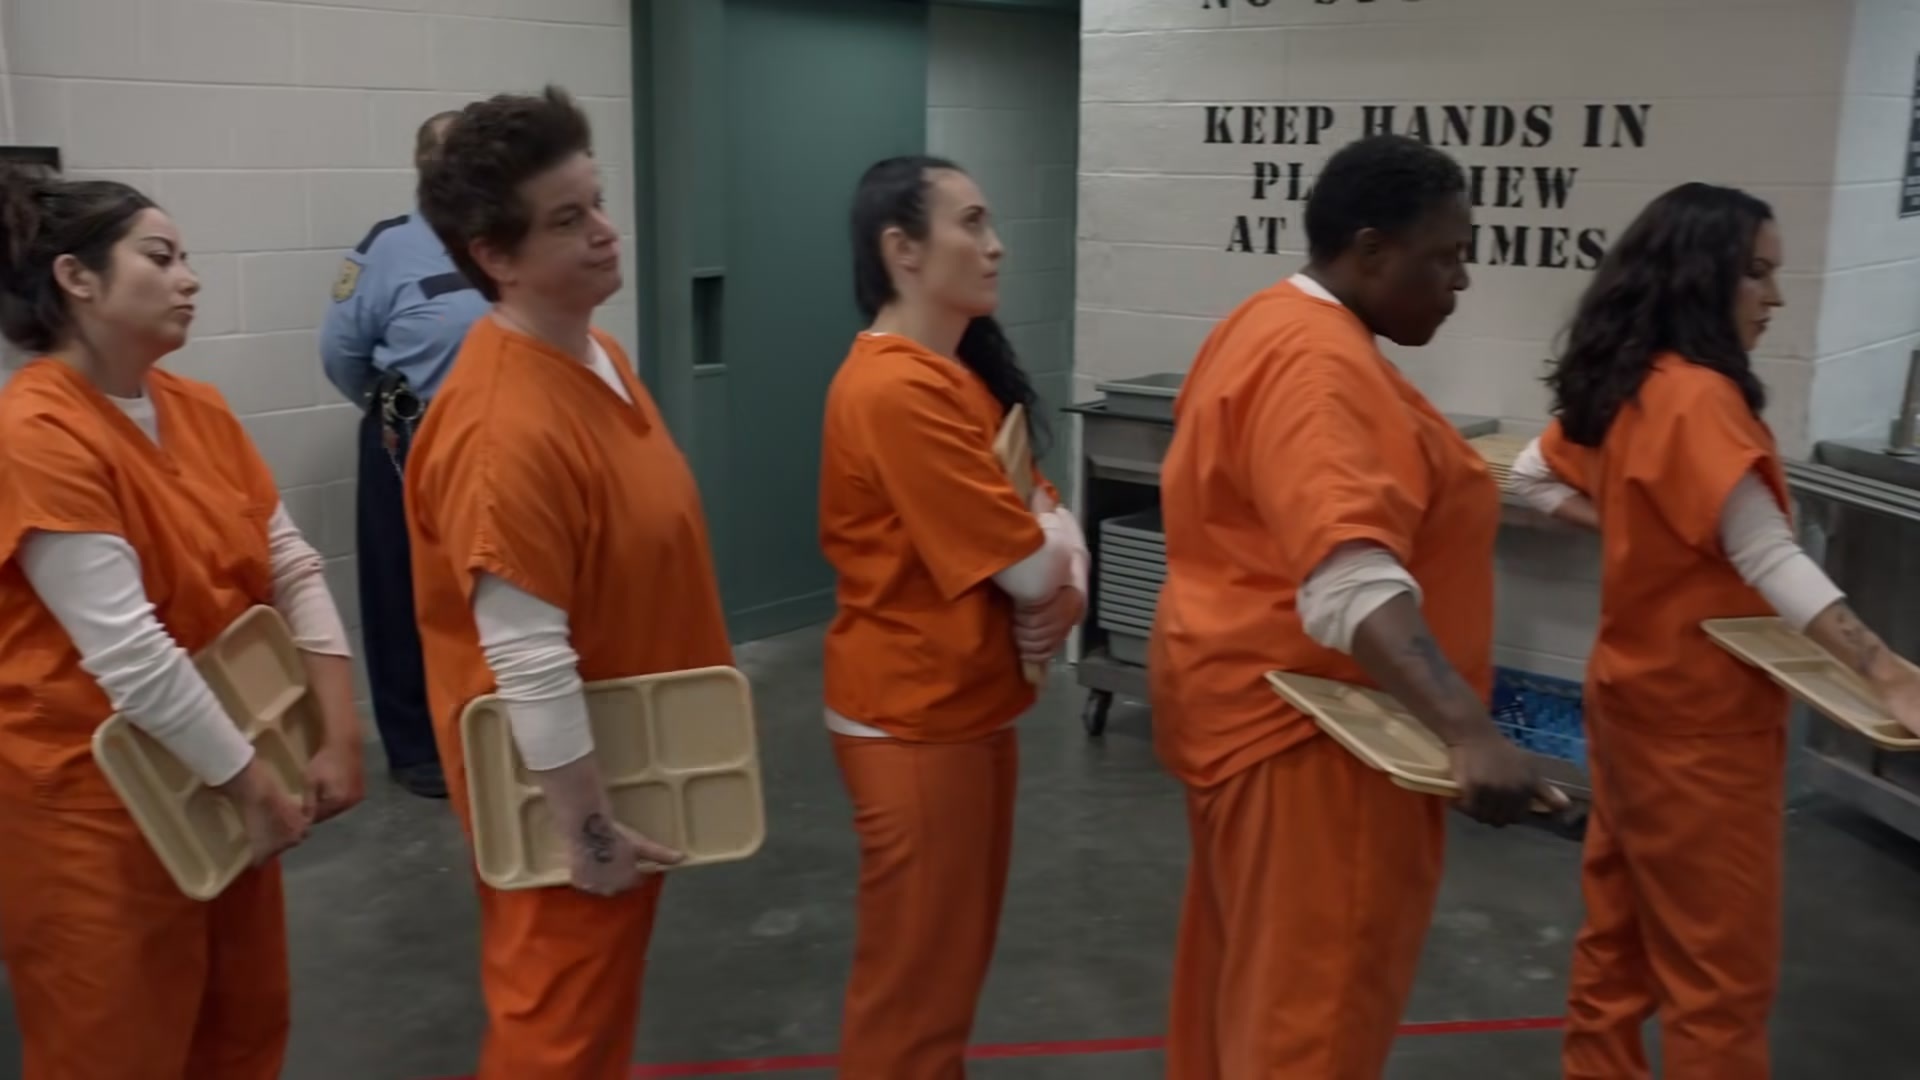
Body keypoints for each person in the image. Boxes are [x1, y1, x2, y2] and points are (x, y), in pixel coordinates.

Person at [1149, 134, 1562, 1079]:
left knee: (1245, 1006)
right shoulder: (1316, 364)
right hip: (1319, 748)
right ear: (1371, 251)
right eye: (1446, 256)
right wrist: (1468, 731)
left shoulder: (1267, 323)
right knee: (1313, 1028)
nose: (1461, 280)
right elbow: (1349, 578)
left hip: (1246, 715)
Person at [1510, 182, 1920, 1080]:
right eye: (1757, 274)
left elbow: (1529, 476)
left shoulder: (1631, 380)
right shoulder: (1701, 400)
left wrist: (1633, 524)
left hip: (1628, 707)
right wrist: (1887, 671)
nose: (1776, 298)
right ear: (1701, 277)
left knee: (1616, 948)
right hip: (1701, 739)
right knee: (1718, 985)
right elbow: (1770, 556)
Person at [0, 170, 362, 1078]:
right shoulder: (36, 433)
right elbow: (131, 653)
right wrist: (251, 784)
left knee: (240, 1026)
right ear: (78, 279)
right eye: (160, 258)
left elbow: (291, 566)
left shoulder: (196, 408)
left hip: (219, 773)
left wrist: (337, 730)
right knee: (114, 1045)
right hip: (96, 810)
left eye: (187, 258)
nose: (189, 277)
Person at [406, 86, 727, 1080]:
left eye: (598, 202)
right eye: (566, 219)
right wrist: (585, 835)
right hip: (560, 795)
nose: (604, 232)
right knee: (558, 1039)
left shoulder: (599, 355)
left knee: (592, 1031)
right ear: (494, 256)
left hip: (629, 754)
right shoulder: (503, 429)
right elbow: (528, 656)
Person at [818, 155, 1087, 1078]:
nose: (995, 245)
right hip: (913, 721)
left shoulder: (954, 374)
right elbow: (1029, 563)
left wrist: (1063, 572)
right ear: (903, 249)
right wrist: (1053, 564)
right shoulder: (895, 389)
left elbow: (1046, 513)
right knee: (914, 999)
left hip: (966, 711)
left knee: (946, 977)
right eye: (971, 223)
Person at [320, 110, 490, 800]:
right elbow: (341, 353)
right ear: (426, 168)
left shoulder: (508, 237)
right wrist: (394, 408)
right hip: (409, 439)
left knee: (495, 588)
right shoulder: (390, 248)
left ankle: (492, 726)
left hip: (500, 444)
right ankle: (416, 747)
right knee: (401, 593)